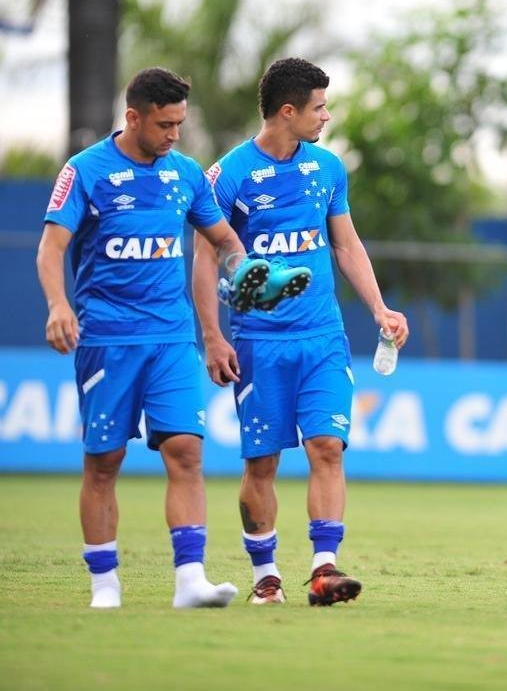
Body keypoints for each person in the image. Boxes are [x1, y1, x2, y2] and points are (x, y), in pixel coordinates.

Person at [193, 57, 409, 606]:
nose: (326, 117)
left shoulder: (328, 168)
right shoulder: (229, 175)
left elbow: (345, 244)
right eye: (319, 108)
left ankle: (324, 569)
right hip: (258, 342)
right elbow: (205, 256)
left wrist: (381, 308)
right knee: (262, 462)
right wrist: (214, 338)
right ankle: (266, 576)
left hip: (322, 335)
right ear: (287, 111)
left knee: (327, 447)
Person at [36, 67, 252, 609]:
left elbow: (223, 237)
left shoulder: (185, 173)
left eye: (180, 123)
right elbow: (51, 248)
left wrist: (243, 269)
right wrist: (59, 304)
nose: (174, 134)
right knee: (104, 462)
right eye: (164, 124)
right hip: (107, 340)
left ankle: (190, 582)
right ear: (132, 117)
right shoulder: (85, 171)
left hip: (173, 340)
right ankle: (105, 586)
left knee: (185, 451)